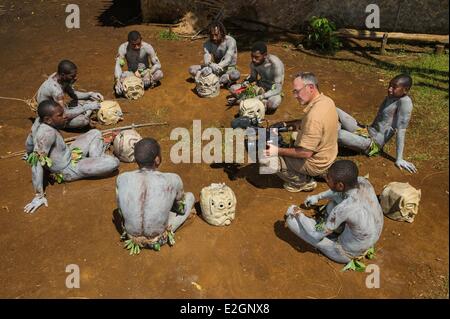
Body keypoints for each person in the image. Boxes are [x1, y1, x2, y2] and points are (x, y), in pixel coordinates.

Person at [23, 100, 120, 214]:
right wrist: (38, 195)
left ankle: (96, 157)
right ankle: (97, 158)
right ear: (48, 119)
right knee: (114, 162)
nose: (65, 116)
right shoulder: (46, 134)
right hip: (68, 169)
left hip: (69, 153)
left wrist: (30, 153)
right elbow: (36, 164)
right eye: (60, 115)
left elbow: (29, 142)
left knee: (95, 133)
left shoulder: (39, 123)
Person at [284, 160, 384, 264]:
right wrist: (318, 197)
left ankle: (333, 237)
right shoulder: (363, 182)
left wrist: (299, 214)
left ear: (340, 185)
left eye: (329, 178)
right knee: (333, 203)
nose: (326, 179)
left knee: (292, 222)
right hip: (369, 237)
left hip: (346, 252)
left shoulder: (342, 209)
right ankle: (336, 229)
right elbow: (337, 192)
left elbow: (315, 235)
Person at [263, 72, 338, 192]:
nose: (295, 96)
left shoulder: (314, 117)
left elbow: (305, 153)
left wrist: (277, 150)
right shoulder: (326, 101)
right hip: (328, 154)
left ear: (311, 88)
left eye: (297, 91)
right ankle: (320, 171)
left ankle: (303, 182)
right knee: (294, 136)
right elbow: (306, 124)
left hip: (316, 162)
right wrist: (285, 125)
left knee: (266, 160)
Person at [116, 138, 195, 251]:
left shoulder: (122, 178)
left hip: (131, 237)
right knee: (190, 196)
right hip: (158, 239)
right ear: (157, 159)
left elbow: (120, 210)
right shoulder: (173, 179)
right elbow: (180, 209)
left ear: (135, 159)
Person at [337, 74, 417, 173]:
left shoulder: (405, 102)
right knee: (335, 110)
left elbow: (401, 130)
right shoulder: (391, 96)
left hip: (373, 145)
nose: (390, 89)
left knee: (339, 134)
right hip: (366, 131)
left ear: (405, 90)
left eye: (394, 87)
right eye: (390, 85)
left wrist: (399, 159)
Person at [36, 60, 103, 129]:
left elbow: (73, 94)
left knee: (91, 100)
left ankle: (84, 112)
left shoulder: (58, 77)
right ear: (63, 75)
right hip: (52, 117)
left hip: (56, 109)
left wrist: (90, 94)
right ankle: (61, 125)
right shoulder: (57, 91)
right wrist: (86, 107)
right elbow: (65, 115)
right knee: (83, 120)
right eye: (72, 76)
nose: (75, 78)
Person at [229, 42, 284, 113]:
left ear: (265, 55)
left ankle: (248, 100)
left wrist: (262, 96)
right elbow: (253, 78)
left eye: (257, 57)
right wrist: (246, 82)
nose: (253, 59)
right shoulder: (254, 63)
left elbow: (278, 89)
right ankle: (256, 102)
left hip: (272, 90)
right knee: (233, 89)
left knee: (272, 104)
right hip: (260, 86)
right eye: (252, 56)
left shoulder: (275, 64)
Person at [188, 21, 240, 87]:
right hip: (214, 69)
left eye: (216, 34)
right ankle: (219, 81)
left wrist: (218, 66)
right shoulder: (207, 43)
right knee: (192, 69)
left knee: (235, 74)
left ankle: (213, 80)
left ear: (222, 32)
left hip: (228, 69)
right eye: (211, 35)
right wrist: (210, 65)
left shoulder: (230, 41)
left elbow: (228, 59)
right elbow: (207, 56)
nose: (214, 38)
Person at [114, 30, 164, 95]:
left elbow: (158, 65)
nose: (137, 47)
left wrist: (149, 73)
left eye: (138, 44)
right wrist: (117, 80)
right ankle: (139, 85)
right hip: (132, 74)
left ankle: (138, 85)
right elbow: (118, 65)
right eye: (134, 45)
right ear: (129, 42)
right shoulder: (123, 48)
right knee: (121, 78)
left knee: (159, 74)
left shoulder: (147, 47)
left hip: (145, 73)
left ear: (141, 39)